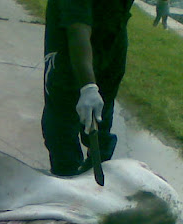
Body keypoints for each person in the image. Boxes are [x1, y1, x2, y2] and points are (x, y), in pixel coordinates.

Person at [42, 0, 134, 177]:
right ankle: (66, 177)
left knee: (102, 112)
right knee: (61, 121)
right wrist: (88, 86)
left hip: (113, 28)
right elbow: (78, 28)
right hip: (69, 38)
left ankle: (95, 171)